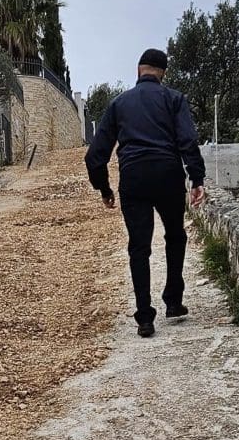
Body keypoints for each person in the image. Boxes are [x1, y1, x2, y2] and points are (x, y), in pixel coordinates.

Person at [85, 48, 206, 338]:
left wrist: (104, 188)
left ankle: (144, 318)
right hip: (168, 176)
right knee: (175, 236)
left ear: (139, 70)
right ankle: (173, 302)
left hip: (134, 179)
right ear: (163, 73)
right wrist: (197, 178)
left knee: (139, 247)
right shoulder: (174, 99)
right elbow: (187, 140)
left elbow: (95, 155)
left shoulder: (119, 103)